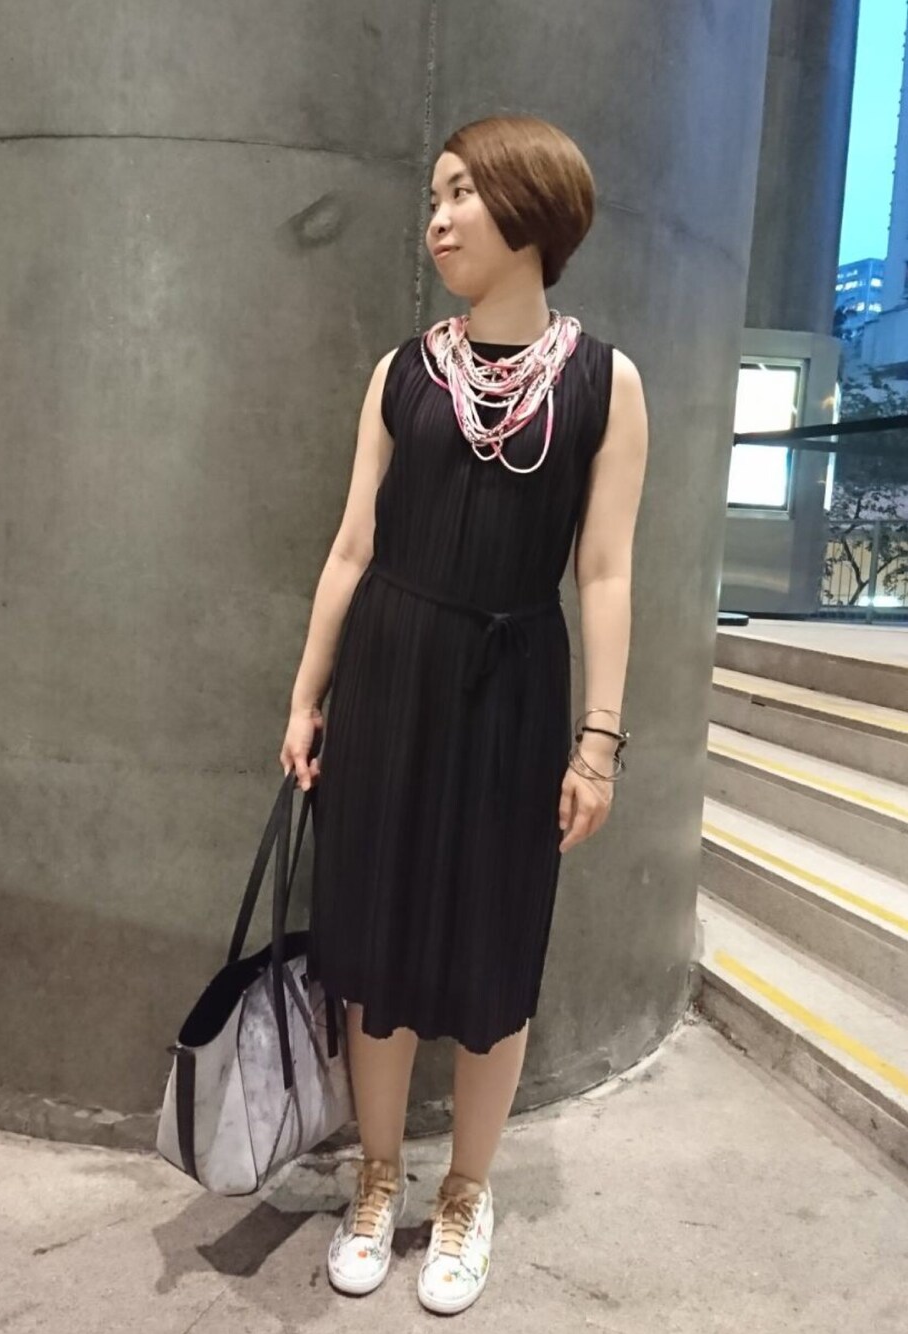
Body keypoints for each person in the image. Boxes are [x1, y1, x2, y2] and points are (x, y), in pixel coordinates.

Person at [279, 114, 648, 1315]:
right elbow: (351, 545)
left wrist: (599, 739)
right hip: (389, 673)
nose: (436, 220)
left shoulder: (604, 383)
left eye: (459, 195)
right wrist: (307, 694)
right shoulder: (401, 372)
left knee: (495, 943)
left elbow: (604, 571)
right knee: (374, 938)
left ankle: (467, 1189)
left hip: (514, 686)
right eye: (431, 197)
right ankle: (378, 1177)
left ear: (528, 209)